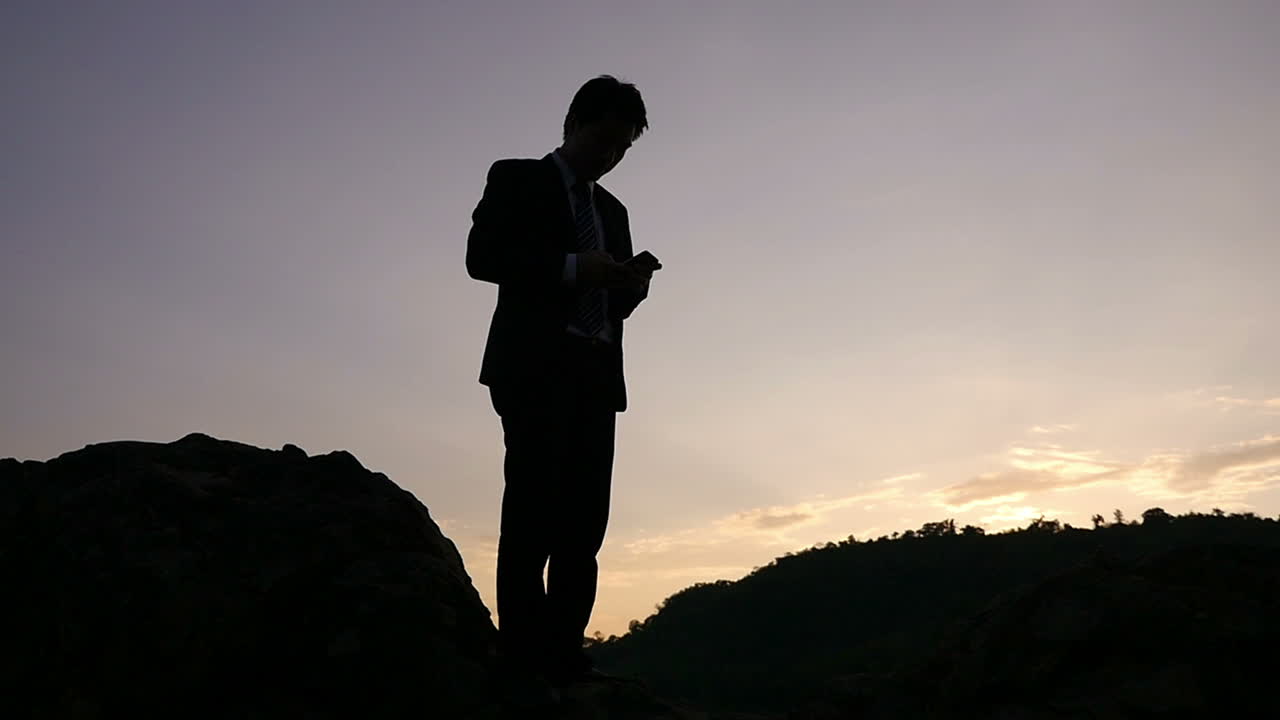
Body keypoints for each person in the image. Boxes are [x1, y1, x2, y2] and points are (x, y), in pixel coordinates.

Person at [465, 75, 658, 708]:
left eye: (622, 148)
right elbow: (483, 257)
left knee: (584, 522)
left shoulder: (614, 212)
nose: (610, 156)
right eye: (603, 141)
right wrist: (573, 267)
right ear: (573, 123)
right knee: (532, 511)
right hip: (534, 367)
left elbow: (612, 305)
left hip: (596, 374)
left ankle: (565, 653)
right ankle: (523, 653)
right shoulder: (516, 178)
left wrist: (628, 287)